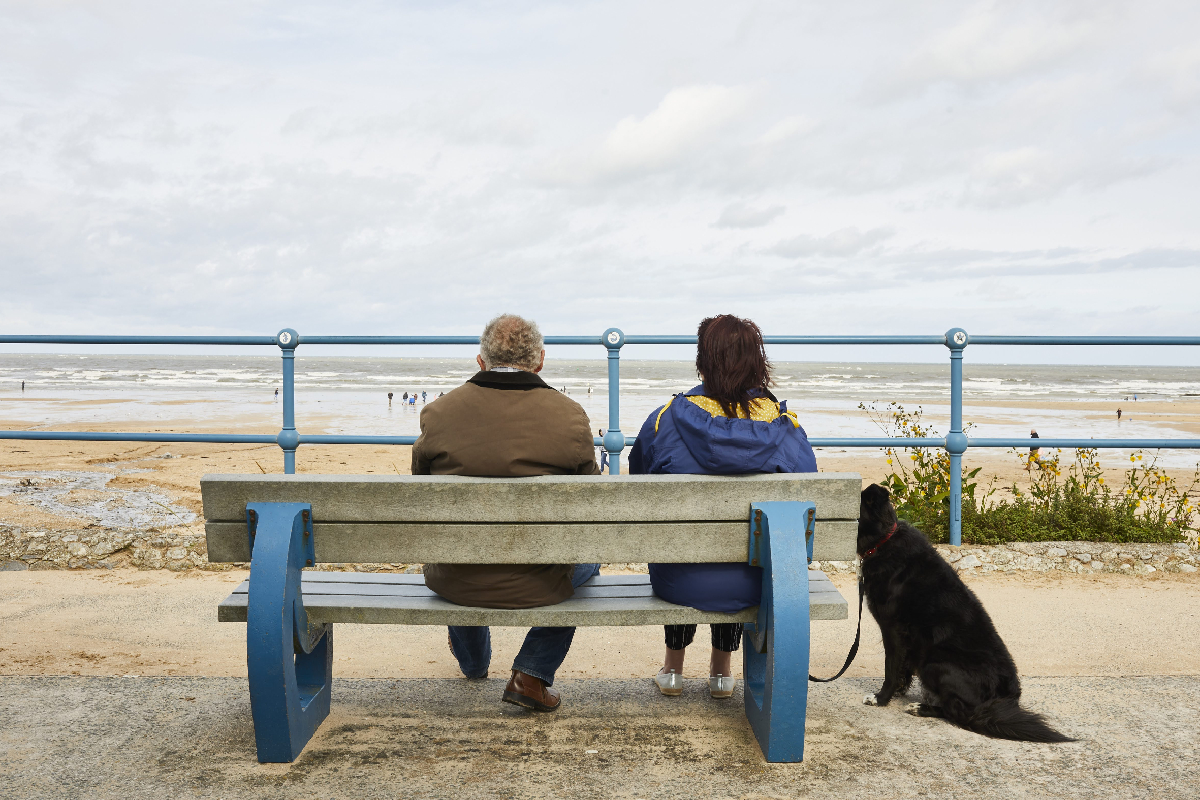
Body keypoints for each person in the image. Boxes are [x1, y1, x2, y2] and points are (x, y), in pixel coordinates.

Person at [413, 314, 600, 713]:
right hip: (541, 581)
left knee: (457, 544)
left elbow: (421, 490)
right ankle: (531, 673)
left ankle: (474, 662)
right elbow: (590, 502)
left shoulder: (438, 413)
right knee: (589, 557)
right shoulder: (569, 416)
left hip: (456, 577)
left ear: (480, 361)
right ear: (540, 362)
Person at [628, 314, 817, 699]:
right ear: (758, 364)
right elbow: (807, 504)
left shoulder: (664, 421)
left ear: (702, 362)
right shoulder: (787, 429)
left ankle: (673, 670)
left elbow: (638, 486)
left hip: (679, 581)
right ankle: (721, 673)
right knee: (747, 557)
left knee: (680, 549)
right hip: (759, 584)